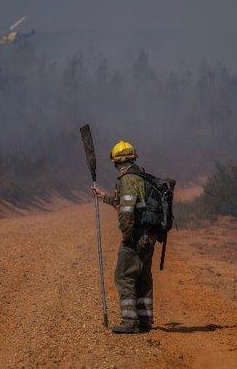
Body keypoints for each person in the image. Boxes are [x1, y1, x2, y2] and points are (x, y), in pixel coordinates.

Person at [92, 140, 156, 334]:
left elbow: (126, 212)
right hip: (148, 237)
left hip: (135, 237)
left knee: (124, 276)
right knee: (143, 277)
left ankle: (130, 322)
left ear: (117, 162)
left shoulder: (127, 180)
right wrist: (103, 196)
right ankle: (145, 321)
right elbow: (121, 201)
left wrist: (126, 236)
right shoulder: (140, 177)